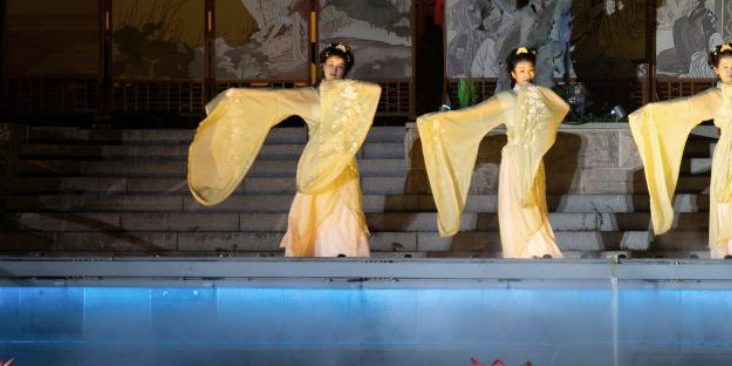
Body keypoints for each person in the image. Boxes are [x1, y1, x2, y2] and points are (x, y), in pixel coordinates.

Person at [188, 43, 381, 257]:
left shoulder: (351, 95)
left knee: (344, 210)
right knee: (312, 209)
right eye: (330, 64)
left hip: (341, 163)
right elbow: (276, 98)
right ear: (323, 66)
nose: (334, 70)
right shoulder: (310, 95)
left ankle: (346, 254)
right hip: (316, 162)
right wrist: (238, 96)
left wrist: (347, 89)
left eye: (340, 66)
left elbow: (374, 91)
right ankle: (313, 254)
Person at [628, 43, 732, 259]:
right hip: (727, 152)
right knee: (728, 198)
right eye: (724, 66)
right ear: (715, 70)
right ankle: (727, 249)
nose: (730, 70)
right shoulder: (716, 95)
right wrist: (654, 110)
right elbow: (687, 105)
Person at [417, 47, 569, 258]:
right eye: (522, 71)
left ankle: (541, 248)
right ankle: (519, 252)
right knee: (515, 205)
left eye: (530, 70)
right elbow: (474, 114)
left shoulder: (539, 96)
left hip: (533, 158)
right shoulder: (507, 98)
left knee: (535, 205)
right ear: (513, 74)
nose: (527, 75)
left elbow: (560, 109)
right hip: (515, 157)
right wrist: (439, 120)